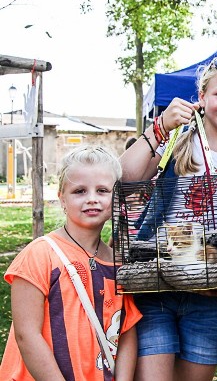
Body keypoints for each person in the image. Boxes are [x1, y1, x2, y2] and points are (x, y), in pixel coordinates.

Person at [119, 54, 217, 380]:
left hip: (209, 295)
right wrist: (160, 127)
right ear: (201, 97)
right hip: (155, 286)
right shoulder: (176, 143)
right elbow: (125, 178)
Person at [0, 145, 141, 380]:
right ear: (62, 198)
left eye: (103, 190)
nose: (92, 199)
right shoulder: (40, 255)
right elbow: (27, 335)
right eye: (80, 191)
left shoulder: (118, 265)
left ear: (115, 199)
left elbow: (126, 330)